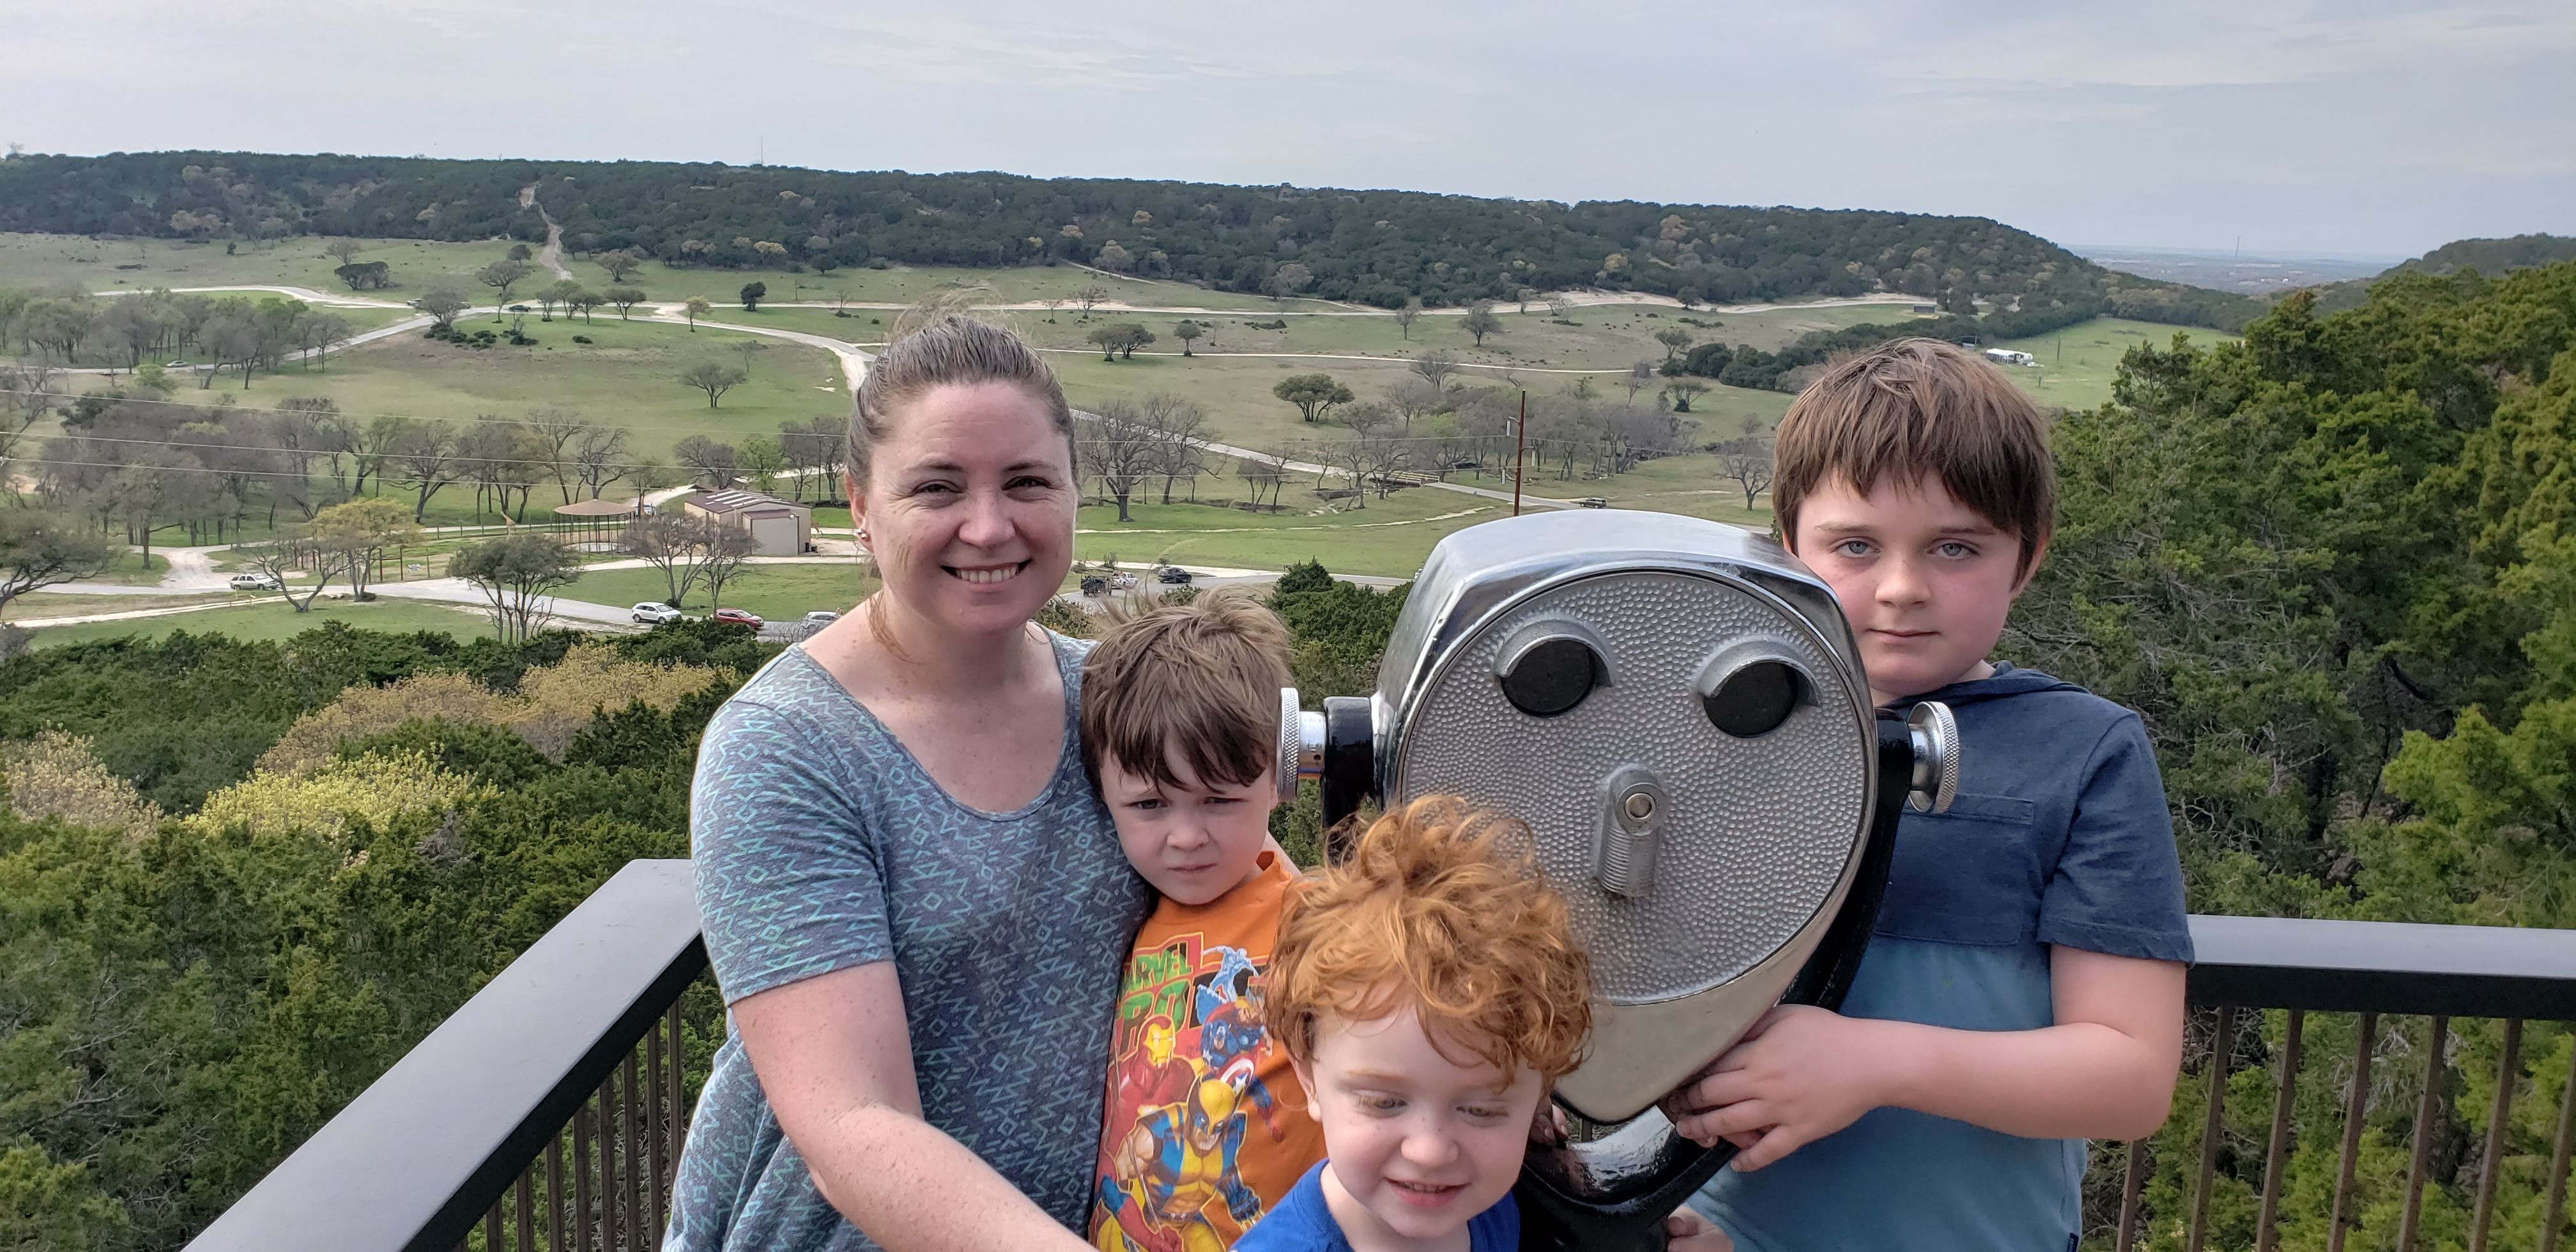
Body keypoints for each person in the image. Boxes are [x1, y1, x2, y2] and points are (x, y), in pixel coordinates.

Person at [1674, 339, 2192, 1250]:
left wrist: (1873, 1063)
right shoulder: (1705, 731)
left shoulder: (2083, 754)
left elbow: (2132, 1077)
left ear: (2027, 558)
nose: (1903, 589)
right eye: (1856, 545)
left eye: (1956, 547)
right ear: (1790, 548)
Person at [668, 312, 1156, 1251]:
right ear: (860, 504)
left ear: (1073, 491)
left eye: (1027, 482)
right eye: (938, 487)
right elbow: (851, 1126)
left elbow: (1262, 919)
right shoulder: (787, 747)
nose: (989, 525)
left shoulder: (1122, 698)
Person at [1078, 592, 1329, 1252]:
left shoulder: (1322, 927)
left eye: (1219, 800)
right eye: (1149, 804)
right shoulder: (1120, 923)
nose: (1186, 837)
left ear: (1278, 781)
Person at [1236, 797, 1592, 1252]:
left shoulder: (1497, 1210)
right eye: (1384, 1102)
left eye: (1483, 1110)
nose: (1430, 1152)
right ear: (1308, 1079)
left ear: (1540, 1097)